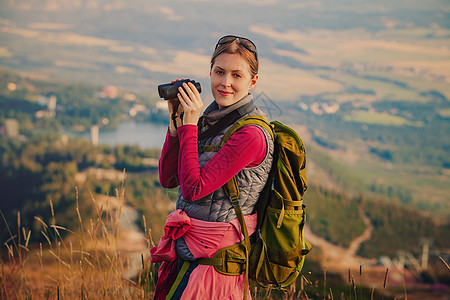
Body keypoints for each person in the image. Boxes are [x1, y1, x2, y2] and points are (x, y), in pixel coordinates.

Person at [150, 35, 274, 299]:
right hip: (188, 260)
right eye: (219, 72)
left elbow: (194, 190)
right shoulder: (210, 120)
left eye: (236, 75)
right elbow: (169, 178)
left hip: (214, 271)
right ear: (210, 73)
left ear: (253, 81)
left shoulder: (250, 134)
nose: (225, 83)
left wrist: (189, 125)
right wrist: (176, 124)